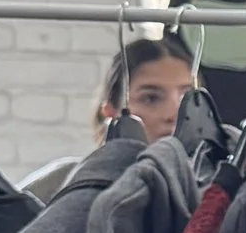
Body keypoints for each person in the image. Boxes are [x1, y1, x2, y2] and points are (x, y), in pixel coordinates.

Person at [26, 35, 195, 202]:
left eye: (187, 98)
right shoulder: (62, 181)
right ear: (110, 113)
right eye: (150, 98)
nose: (173, 114)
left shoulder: (213, 186)